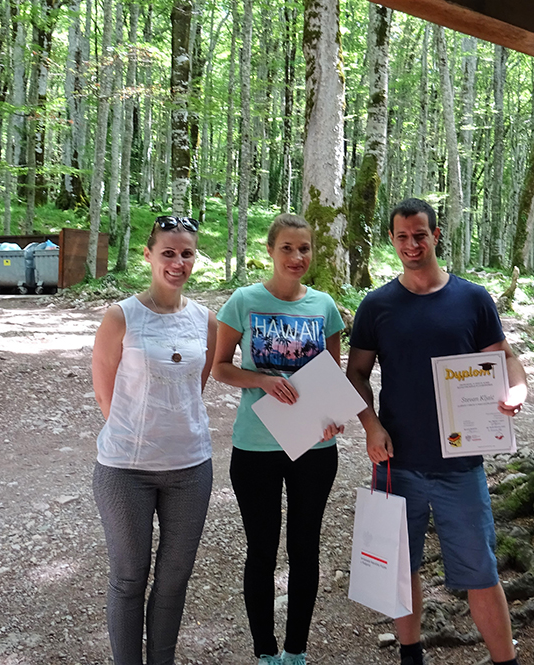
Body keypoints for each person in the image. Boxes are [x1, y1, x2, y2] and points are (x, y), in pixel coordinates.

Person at [346, 198, 527, 665]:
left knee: (481, 571)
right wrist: (371, 426)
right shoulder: (377, 305)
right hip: (397, 462)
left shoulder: (472, 299)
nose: (412, 244)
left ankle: (505, 660)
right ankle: (411, 655)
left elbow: (504, 357)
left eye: (420, 235)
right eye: (402, 237)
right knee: (400, 567)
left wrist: (518, 389)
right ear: (392, 239)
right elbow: (357, 373)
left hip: (461, 464)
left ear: (436, 235)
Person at [212, 213, 345, 665]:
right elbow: (220, 368)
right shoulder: (244, 301)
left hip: (314, 447)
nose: (296, 257)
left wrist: (334, 416)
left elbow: (333, 377)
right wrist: (263, 381)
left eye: (304, 248)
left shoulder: (324, 307)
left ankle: (296, 651)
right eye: (287, 248)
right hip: (256, 446)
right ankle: (266, 652)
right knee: (262, 551)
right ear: (269, 251)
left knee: (305, 549)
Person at [91, 215, 217, 665]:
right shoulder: (121, 316)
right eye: (168, 253)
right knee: (129, 578)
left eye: (186, 254)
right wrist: (138, 438)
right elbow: (105, 395)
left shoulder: (206, 320)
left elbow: (194, 387)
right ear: (148, 256)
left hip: (190, 468)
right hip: (126, 470)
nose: (177, 262)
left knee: (174, 580)